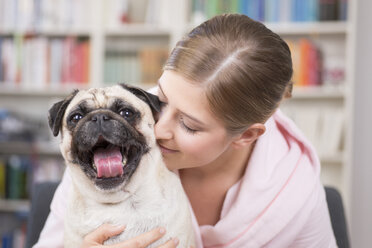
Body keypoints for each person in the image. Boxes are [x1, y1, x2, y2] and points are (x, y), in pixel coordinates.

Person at [34, 14, 337, 248]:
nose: (159, 128)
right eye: (161, 101)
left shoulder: (295, 188)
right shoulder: (113, 144)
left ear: (245, 135)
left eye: (189, 125)